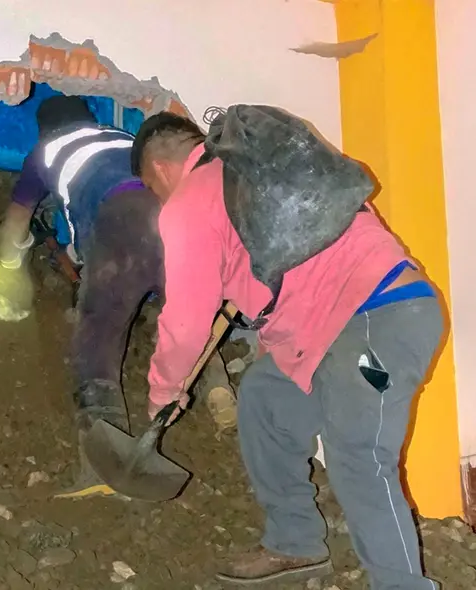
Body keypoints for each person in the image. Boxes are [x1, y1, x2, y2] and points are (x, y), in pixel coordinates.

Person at [133, 111, 443, 589]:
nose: (160, 199)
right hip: (345, 323)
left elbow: (186, 322)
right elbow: (296, 275)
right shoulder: (254, 171)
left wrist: (163, 391)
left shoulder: (190, 201)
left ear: (159, 169)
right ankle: (294, 542)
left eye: (154, 189)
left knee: (358, 456)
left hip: (376, 317)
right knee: (264, 398)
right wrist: (275, 345)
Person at [0, 95, 235, 497]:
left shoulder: (45, 151)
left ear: (45, 130)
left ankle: (102, 465)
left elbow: (17, 220)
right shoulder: (123, 138)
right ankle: (217, 387)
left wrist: (7, 263)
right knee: (189, 307)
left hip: (120, 220)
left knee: (99, 334)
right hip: (170, 211)